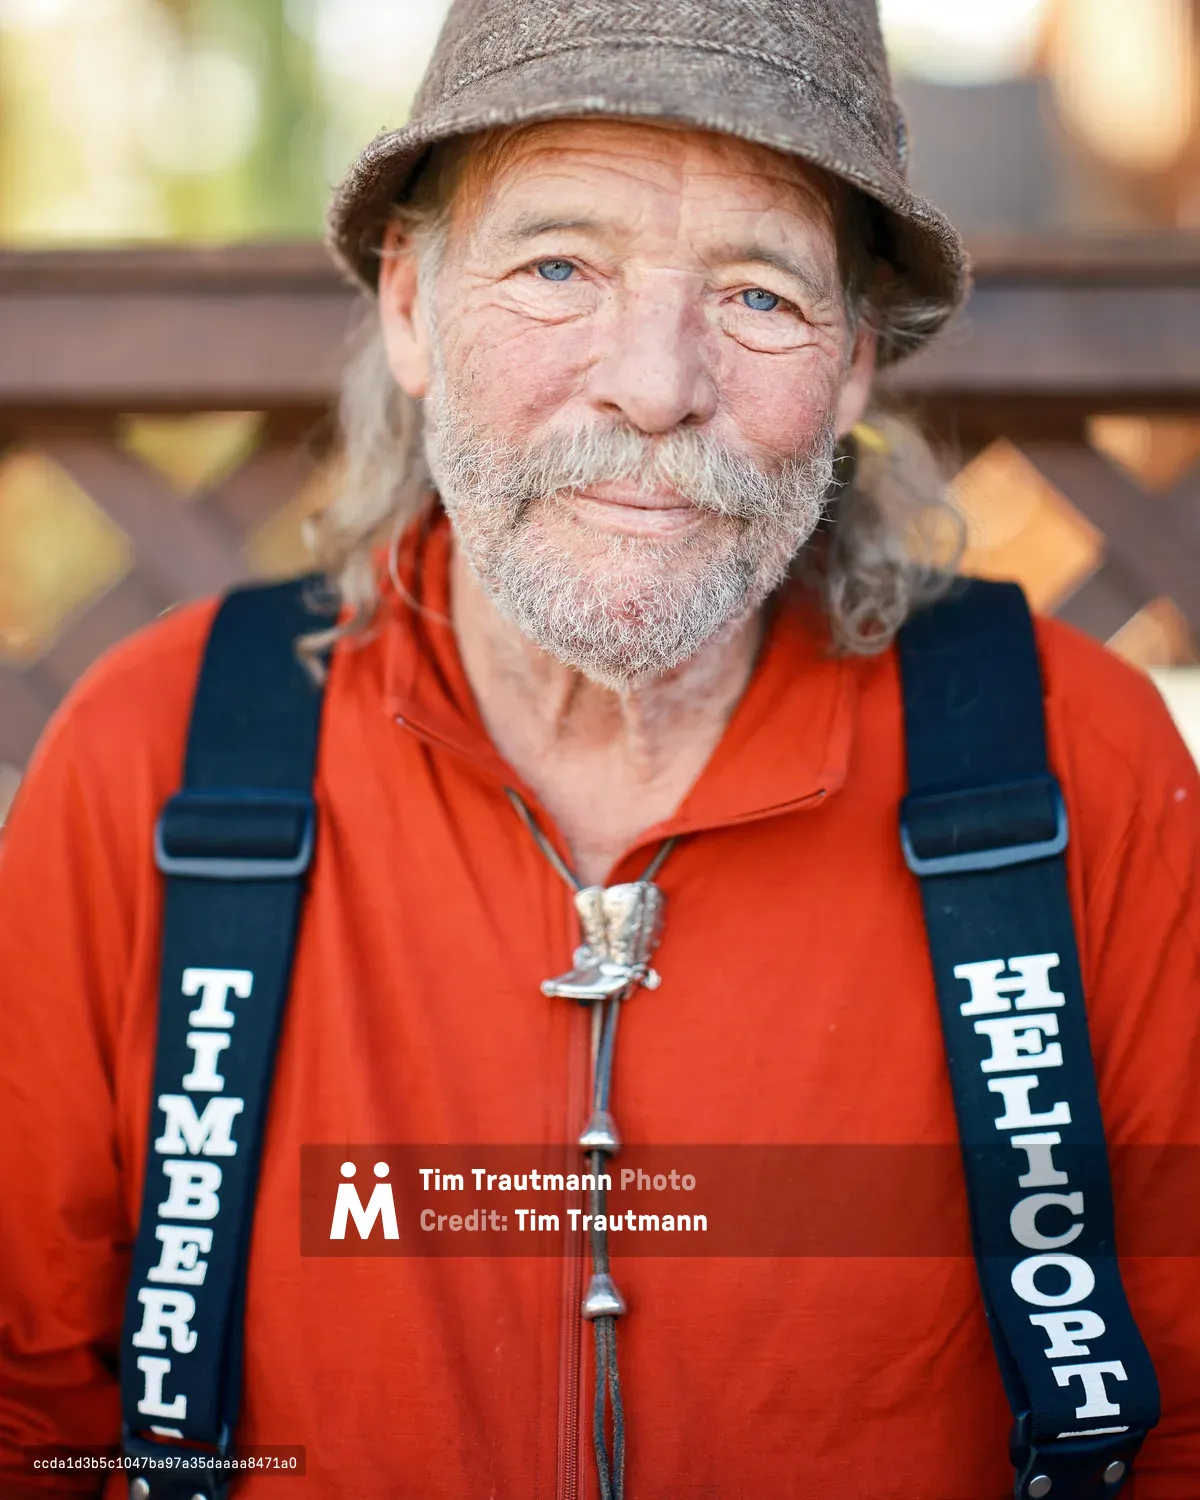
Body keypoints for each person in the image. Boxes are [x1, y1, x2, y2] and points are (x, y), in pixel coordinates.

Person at [1, 1, 1198, 1496]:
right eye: (560, 266)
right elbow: (25, 1406)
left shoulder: (1075, 764)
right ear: (411, 305)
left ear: (848, 374)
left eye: (761, 295)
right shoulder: (155, 757)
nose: (654, 385)